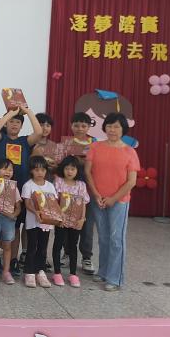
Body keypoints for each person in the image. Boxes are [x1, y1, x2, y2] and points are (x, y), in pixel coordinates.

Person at [84, 113, 140, 291]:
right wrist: (96, 194)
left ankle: (115, 278)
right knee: (103, 237)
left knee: (116, 239)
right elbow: (88, 172)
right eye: (109, 126)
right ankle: (103, 271)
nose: (112, 130)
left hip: (119, 201)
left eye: (116, 126)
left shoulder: (130, 152)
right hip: (98, 199)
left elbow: (131, 181)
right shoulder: (95, 147)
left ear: (123, 129)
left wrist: (113, 199)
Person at [0, 106, 42, 276]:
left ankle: (12, 259)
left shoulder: (25, 141)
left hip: (18, 190)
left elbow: (39, 132)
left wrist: (28, 112)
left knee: (15, 226)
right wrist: (11, 113)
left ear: (21, 126)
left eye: (17, 122)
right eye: (11, 121)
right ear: (6, 123)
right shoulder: (0, 139)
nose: (14, 124)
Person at [52, 155, 90, 288]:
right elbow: (54, 201)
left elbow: (84, 203)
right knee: (58, 243)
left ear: (77, 170)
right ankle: (57, 273)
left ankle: (73, 274)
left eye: (72, 169)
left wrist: (82, 219)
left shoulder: (81, 185)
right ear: (62, 169)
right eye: (67, 168)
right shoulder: (58, 181)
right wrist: (59, 216)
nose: (69, 171)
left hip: (76, 221)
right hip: (61, 220)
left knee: (73, 245)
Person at [69, 111, 98, 275]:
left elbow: (97, 165)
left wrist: (81, 160)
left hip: (88, 189)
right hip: (69, 189)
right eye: (76, 125)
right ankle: (67, 252)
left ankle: (87, 256)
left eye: (83, 125)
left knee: (87, 223)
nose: (80, 128)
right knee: (67, 220)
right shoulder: (66, 143)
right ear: (71, 126)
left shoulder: (94, 144)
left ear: (88, 127)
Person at [21, 156, 56, 288]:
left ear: (46, 171)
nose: (40, 173)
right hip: (33, 222)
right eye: (36, 170)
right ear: (31, 171)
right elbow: (27, 203)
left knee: (43, 247)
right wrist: (35, 212)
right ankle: (29, 272)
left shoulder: (50, 186)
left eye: (42, 170)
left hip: (46, 223)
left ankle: (40, 271)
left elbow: (53, 203)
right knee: (32, 246)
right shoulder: (28, 185)